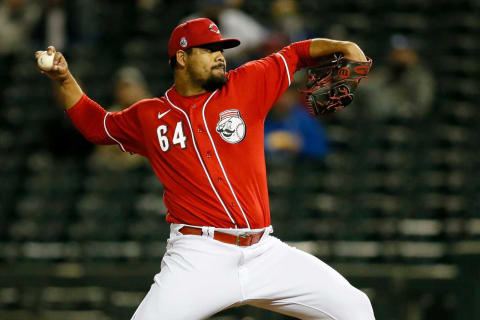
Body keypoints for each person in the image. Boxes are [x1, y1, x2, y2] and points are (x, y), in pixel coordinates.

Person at [36, 18, 374, 320]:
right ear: (182, 58)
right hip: (198, 256)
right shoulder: (148, 116)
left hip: (263, 251)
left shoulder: (247, 83)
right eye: (209, 49)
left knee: (356, 309)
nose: (220, 55)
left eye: (222, 49)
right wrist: (64, 78)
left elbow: (296, 53)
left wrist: (343, 46)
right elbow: (97, 126)